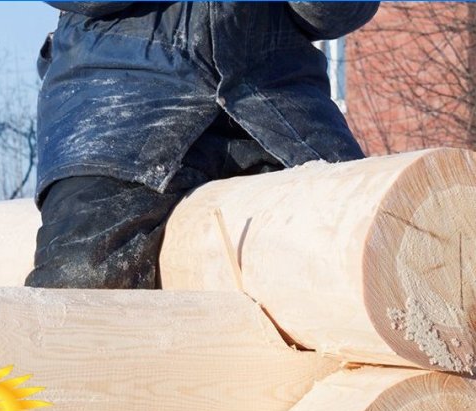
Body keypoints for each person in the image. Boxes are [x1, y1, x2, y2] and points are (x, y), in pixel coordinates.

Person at [25, 2, 380, 289]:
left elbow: (335, 14)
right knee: (82, 286)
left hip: (279, 100)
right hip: (119, 101)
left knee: (366, 245)